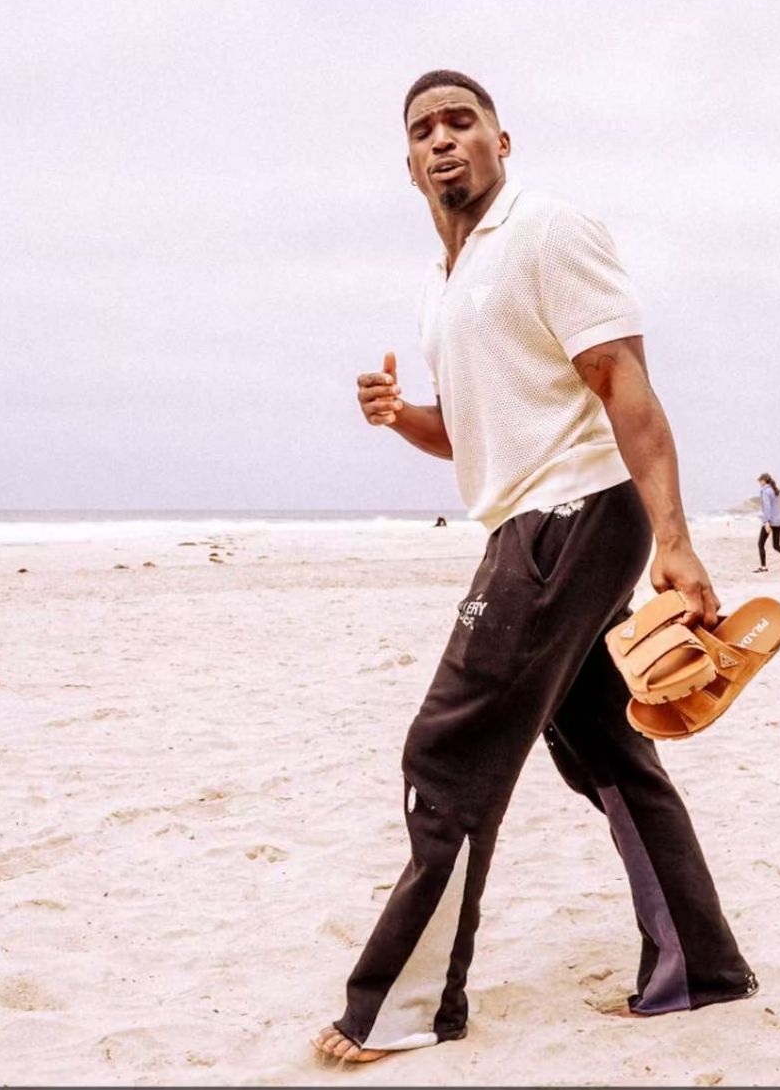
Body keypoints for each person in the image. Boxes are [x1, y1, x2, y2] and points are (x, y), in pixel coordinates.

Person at [313, 70, 756, 1065]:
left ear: (500, 141)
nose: (442, 139)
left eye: (460, 121)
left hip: (573, 513)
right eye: (423, 129)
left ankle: (403, 1006)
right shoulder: (442, 285)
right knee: (602, 746)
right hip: (533, 516)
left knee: (448, 753)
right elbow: (471, 435)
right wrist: (400, 418)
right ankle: (699, 964)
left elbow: (623, 381)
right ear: (408, 162)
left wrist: (675, 540)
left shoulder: (547, 231)